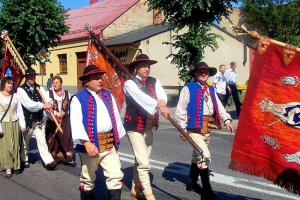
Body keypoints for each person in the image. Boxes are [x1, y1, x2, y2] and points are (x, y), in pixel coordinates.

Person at [175, 62, 233, 200]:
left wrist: (227, 120)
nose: (203, 73)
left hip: (207, 128)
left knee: (197, 156)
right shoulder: (188, 88)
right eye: (200, 71)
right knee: (204, 155)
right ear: (195, 73)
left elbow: (219, 106)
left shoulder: (211, 90)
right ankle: (207, 190)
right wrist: (182, 129)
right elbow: (180, 109)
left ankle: (192, 182)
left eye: (206, 71)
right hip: (193, 129)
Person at [70, 65, 125, 200]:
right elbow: (75, 122)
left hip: (109, 145)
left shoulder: (108, 95)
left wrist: (116, 140)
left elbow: (115, 118)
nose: (100, 80)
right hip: (91, 146)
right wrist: (87, 143)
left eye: (99, 77)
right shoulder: (78, 98)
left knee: (115, 176)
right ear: (87, 81)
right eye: (95, 78)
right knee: (88, 179)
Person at [123, 54, 172, 200]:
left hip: (149, 126)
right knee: (144, 163)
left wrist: (162, 102)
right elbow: (142, 99)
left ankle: (135, 188)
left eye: (148, 66)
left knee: (141, 159)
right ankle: (149, 195)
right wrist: (158, 105)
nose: (147, 68)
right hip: (134, 127)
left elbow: (161, 94)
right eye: (143, 66)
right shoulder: (129, 84)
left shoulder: (153, 81)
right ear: (136, 68)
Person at [17, 68, 57, 170]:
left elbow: (47, 99)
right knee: (25, 142)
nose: (33, 78)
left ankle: (48, 161)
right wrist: (43, 105)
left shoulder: (39, 87)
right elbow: (28, 104)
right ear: (26, 78)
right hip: (28, 121)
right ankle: (24, 159)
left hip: (38, 120)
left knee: (42, 142)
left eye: (34, 76)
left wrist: (50, 104)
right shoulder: (21, 89)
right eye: (30, 76)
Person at [45, 75, 76, 166]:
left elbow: (70, 106)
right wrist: (56, 113)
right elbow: (47, 108)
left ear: (61, 84)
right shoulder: (48, 93)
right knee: (54, 139)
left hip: (65, 120)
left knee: (66, 138)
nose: (55, 84)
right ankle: (53, 158)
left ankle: (68, 158)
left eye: (57, 83)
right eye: (54, 83)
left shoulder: (66, 93)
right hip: (53, 120)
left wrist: (65, 113)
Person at [0, 76, 26, 178]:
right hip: (4, 123)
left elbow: (19, 111)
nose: (10, 85)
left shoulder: (15, 96)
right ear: (4, 84)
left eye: (11, 83)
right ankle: (8, 168)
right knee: (6, 146)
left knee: (15, 145)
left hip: (15, 122)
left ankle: (15, 165)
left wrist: (22, 124)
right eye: (8, 83)